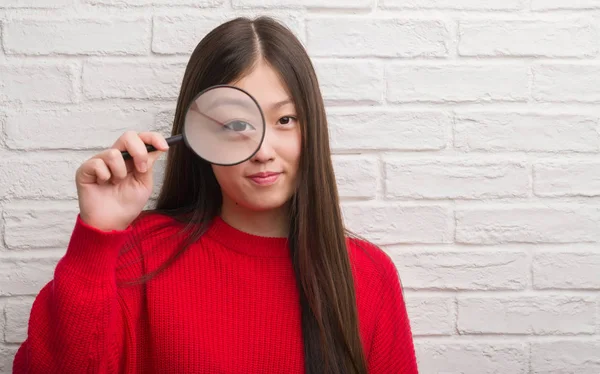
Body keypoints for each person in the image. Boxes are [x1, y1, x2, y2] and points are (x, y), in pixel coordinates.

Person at [12, 16, 418, 374]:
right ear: (199, 136)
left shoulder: (368, 275)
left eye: (286, 119)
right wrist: (95, 237)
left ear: (312, 128)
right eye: (235, 123)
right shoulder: (139, 252)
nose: (262, 151)